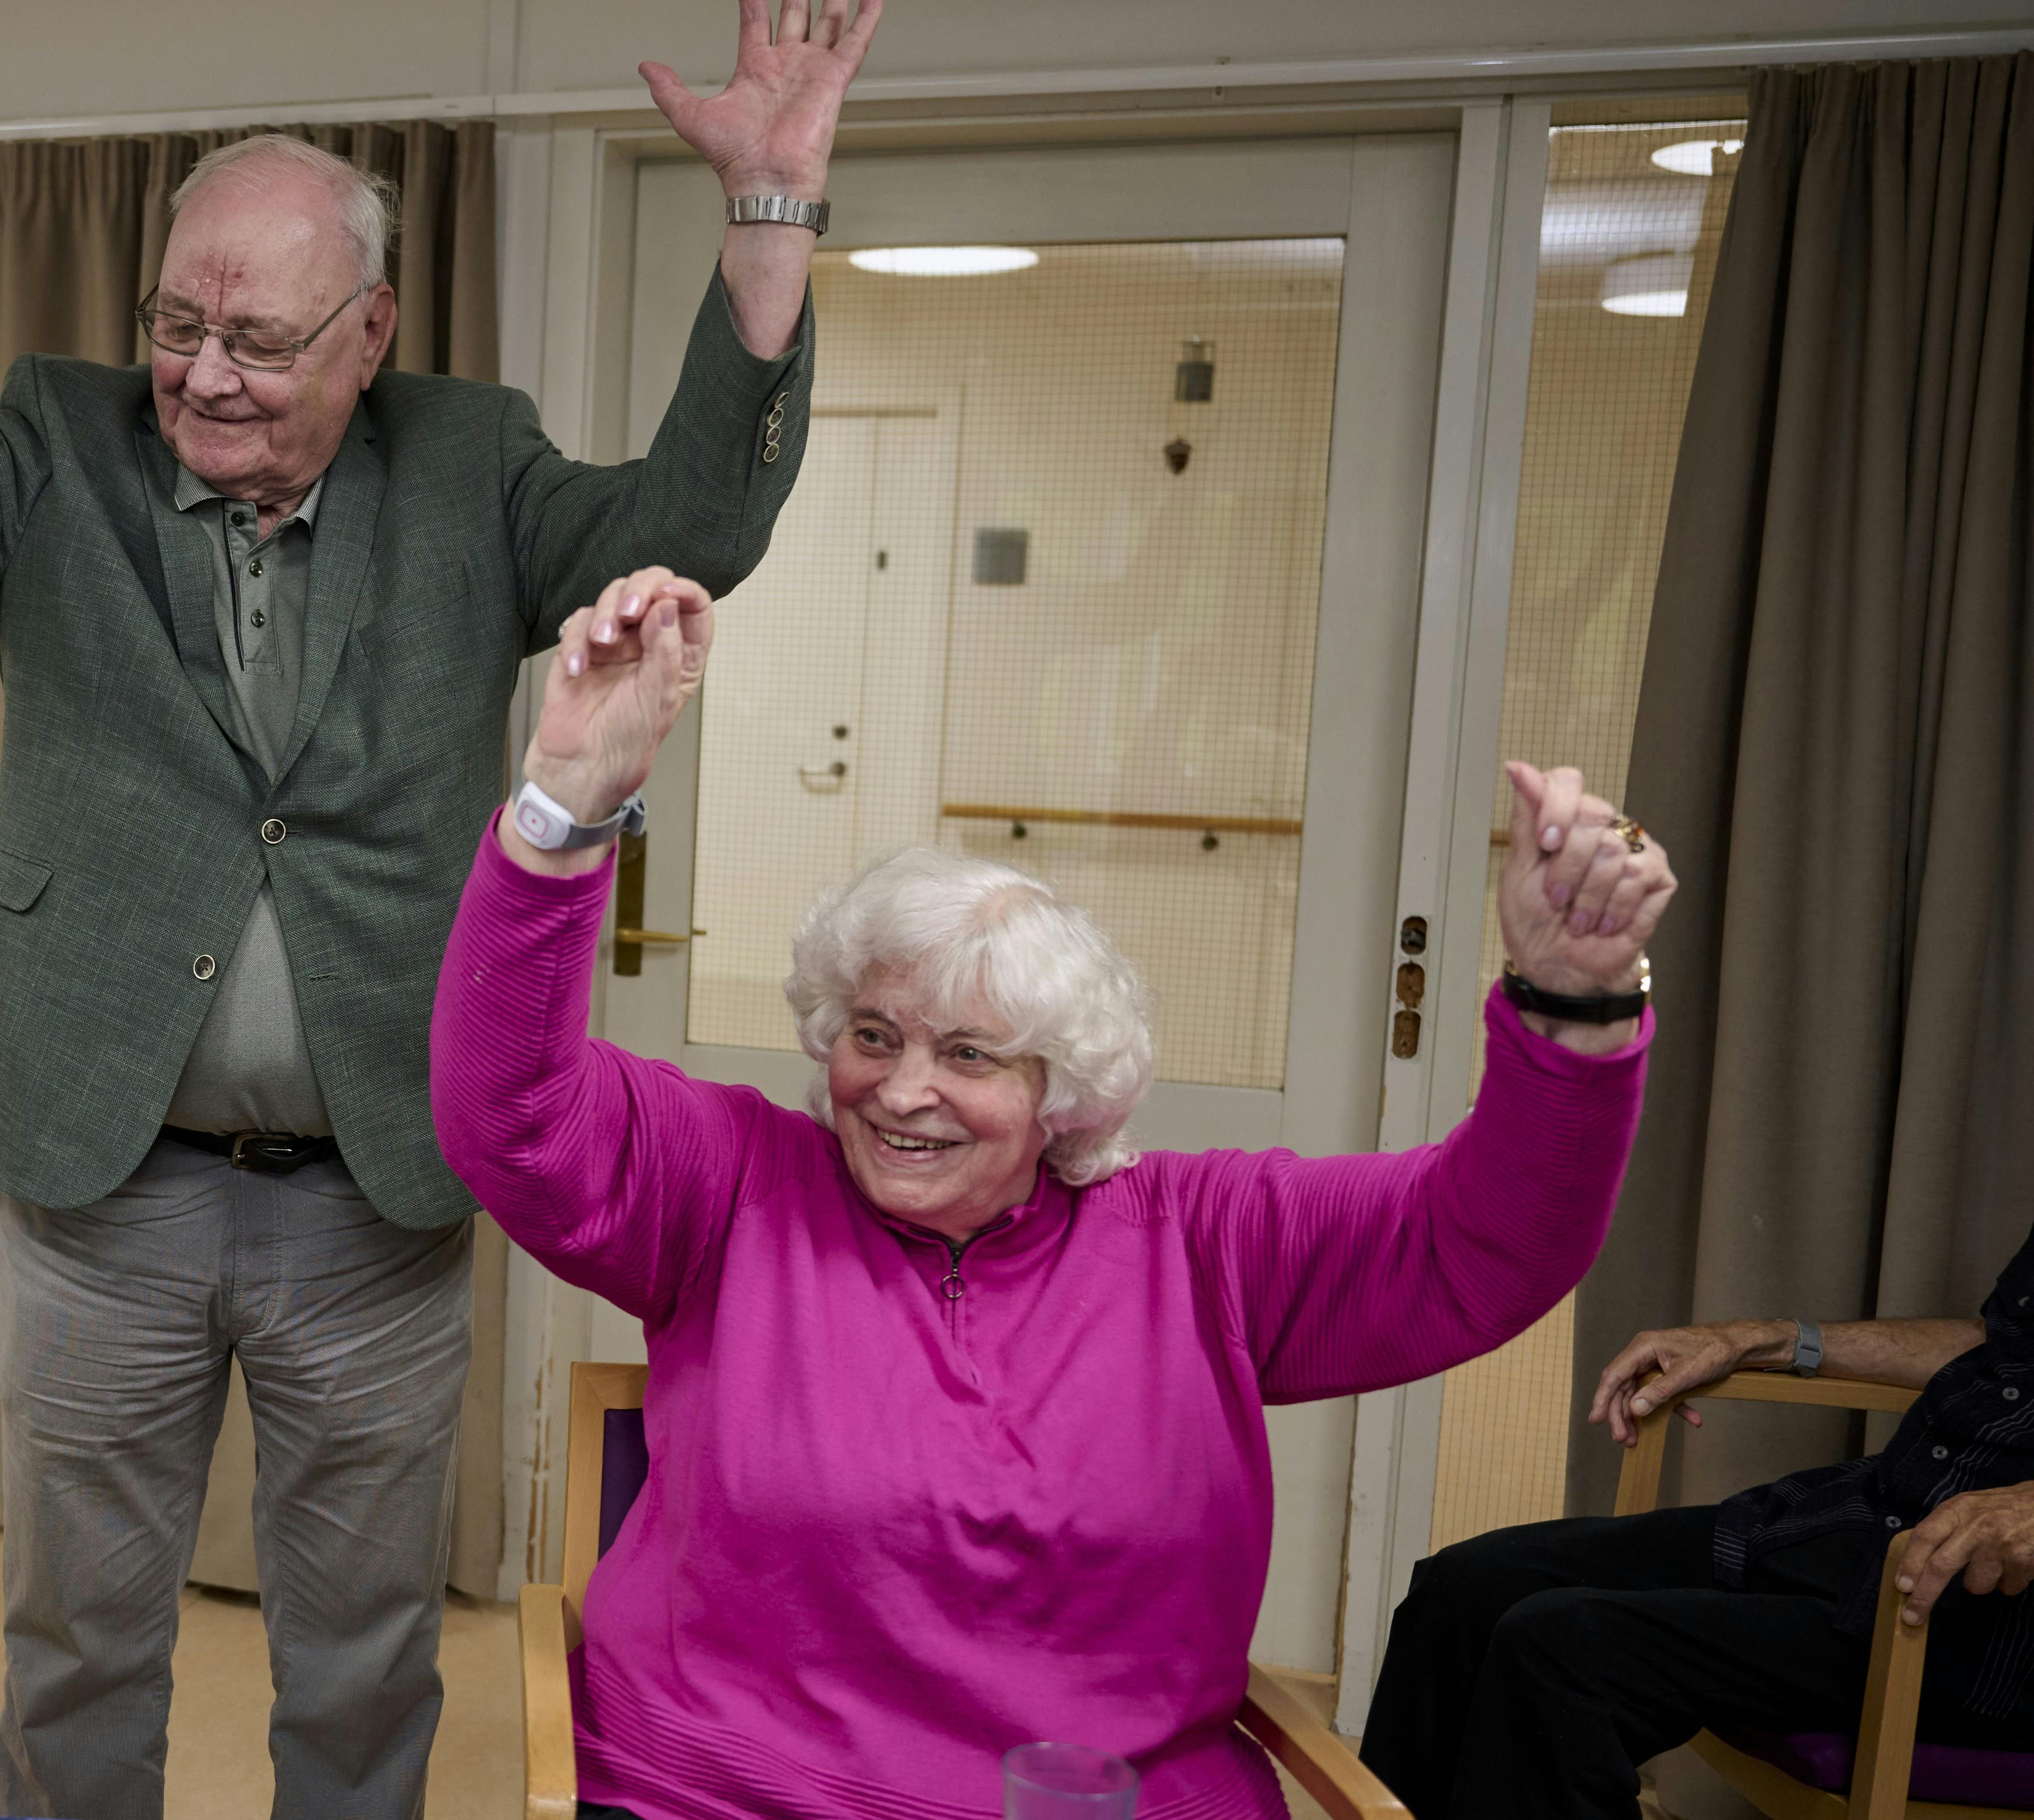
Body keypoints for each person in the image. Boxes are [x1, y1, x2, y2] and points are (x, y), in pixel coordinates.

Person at [0, 0, 879, 1820]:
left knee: (364, 1654)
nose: (207, 370)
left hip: (375, 1185)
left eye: (262, 334)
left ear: (371, 329)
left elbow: (692, 524)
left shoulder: (467, 464)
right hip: (95, 1171)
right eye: (177, 323)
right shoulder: (51, 455)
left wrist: (767, 225)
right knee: (77, 1639)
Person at [427, 571, 1675, 1818]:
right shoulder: (738, 1185)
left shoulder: (1206, 1245)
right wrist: (565, 809)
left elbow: (1486, 1244)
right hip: (732, 1795)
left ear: (1063, 1091)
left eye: (968, 1055)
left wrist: (1570, 1007)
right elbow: (511, 1115)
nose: (902, 1090)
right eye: (872, 1034)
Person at [1361, 1235, 2034, 1815]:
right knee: (1464, 1588)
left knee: (1562, 1650)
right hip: (1857, 1522)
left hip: (1970, 1616)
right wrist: (1768, 1339)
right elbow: (2006, 1348)